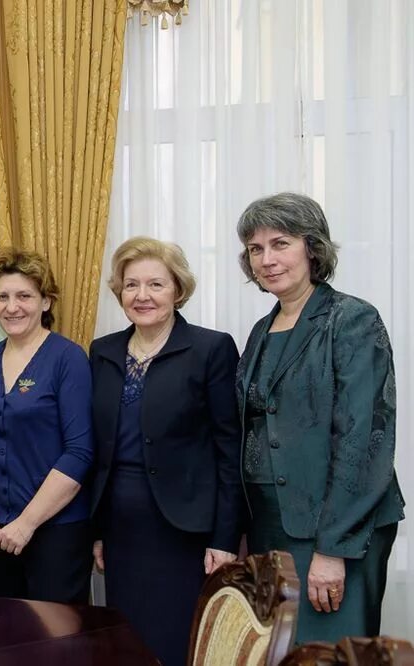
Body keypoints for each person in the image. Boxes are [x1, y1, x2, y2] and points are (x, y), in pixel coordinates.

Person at [236, 192, 404, 643]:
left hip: (334, 527)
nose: (267, 259)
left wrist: (333, 549)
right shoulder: (261, 330)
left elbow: (364, 439)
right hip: (270, 524)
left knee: (331, 652)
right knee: (280, 652)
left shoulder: (352, 319)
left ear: (312, 248)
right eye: (256, 249)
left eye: (280, 243)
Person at [88, 237, 242, 665]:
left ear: (178, 289)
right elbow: (99, 451)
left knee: (176, 640)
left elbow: (230, 448)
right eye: (131, 285)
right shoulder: (102, 352)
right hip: (120, 527)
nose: (142, 296)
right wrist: (96, 529)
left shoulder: (211, 349)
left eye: (156, 284)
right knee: (124, 641)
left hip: (184, 531)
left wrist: (225, 538)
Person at [0, 248, 95, 604]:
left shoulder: (68, 358)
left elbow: (79, 452)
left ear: (46, 302)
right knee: (4, 639)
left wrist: (27, 523)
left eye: (24, 296)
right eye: (1, 297)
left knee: (57, 644)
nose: (11, 306)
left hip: (55, 530)